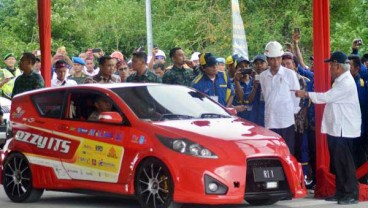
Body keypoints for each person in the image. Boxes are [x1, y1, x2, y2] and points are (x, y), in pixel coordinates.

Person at [295, 51, 360, 205]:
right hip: (337, 128)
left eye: (331, 65)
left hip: (343, 129)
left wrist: (306, 94)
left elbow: (327, 97)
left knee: (345, 163)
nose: (329, 68)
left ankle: (351, 193)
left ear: (337, 66)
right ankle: (341, 192)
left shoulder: (346, 82)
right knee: (337, 162)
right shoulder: (340, 80)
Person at [260, 41, 301, 155]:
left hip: (286, 121)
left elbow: (296, 96)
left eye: (278, 58)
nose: (276, 62)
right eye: (272, 59)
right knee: (273, 153)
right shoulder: (263, 76)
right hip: (270, 121)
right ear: (267, 59)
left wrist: (290, 111)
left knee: (287, 153)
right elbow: (265, 95)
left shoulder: (290, 74)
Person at [347, 54, 368, 184]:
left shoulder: (361, 84)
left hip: (360, 127)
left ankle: (362, 180)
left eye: (349, 66)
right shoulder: (341, 82)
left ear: (357, 68)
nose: (346, 68)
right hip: (347, 127)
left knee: (360, 155)